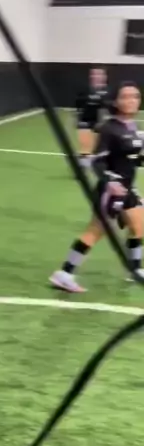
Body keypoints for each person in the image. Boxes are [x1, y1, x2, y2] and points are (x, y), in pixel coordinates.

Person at [50, 81, 144, 293]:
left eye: (135, 96)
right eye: (125, 96)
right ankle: (64, 274)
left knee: (139, 226)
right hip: (110, 191)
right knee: (95, 231)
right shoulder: (109, 128)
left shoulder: (132, 127)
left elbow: (131, 159)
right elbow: (97, 161)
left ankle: (135, 269)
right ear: (116, 101)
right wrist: (110, 181)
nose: (131, 100)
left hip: (127, 189)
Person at [75, 67, 108, 167]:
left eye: (99, 74)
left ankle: (100, 161)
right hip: (84, 120)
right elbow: (78, 104)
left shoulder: (107, 91)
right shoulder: (85, 89)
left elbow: (107, 107)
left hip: (99, 121)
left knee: (100, 144)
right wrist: (78, 118)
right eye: (94, 74)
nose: (96, 76)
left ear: (104, 77)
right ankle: (83, 163)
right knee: (85, 144)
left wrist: (102, 121)